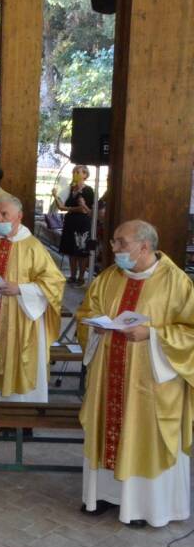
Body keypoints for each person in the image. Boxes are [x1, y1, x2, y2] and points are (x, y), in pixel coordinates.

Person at [76, 219, 193, 528]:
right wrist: (98, 326)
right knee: (106, 429)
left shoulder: (176, 282)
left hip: (151, 384)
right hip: (108, 376)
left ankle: (141, 507)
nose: (114, 248)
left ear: (144, 247)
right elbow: (87, 313)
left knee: (142, 436)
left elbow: (189, 332)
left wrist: (151, 335)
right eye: (114, 242)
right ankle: (101, 495)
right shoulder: (107, 277)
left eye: (120, 242)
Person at [0, 196, 65, 403]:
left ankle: (20, 412)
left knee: (17, 362)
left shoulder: (33, 247)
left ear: (19, 217)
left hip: (20, 319)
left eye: (4, 215)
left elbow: (54, 282)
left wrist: (20, 289)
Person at [54, 165, 96, 285]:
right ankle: (72, 275)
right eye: (74, 172)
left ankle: (81, 277)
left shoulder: (88, 190)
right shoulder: (71, 189)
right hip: (70, 222)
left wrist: (69, 208)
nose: (75, 174)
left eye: (78, 172)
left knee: (81, 251)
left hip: (82, 223)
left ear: (85, 175)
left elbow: (84, 210)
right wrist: (55, 196)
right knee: (71, 250)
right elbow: (62, 207)